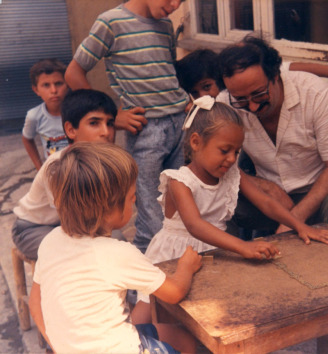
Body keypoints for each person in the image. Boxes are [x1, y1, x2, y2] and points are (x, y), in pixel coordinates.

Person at [131, 96, 328, 324]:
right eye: (224, 150)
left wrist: (300, 226)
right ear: (196, 142)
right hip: (176, 254)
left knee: (205, 311)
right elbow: (195, 225)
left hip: (215, 251)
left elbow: (265, 201)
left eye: (237, 152)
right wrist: (243, 246)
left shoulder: (231, 174)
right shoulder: (179, 181)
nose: (231, 159)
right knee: (151, 309)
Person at [29, 142, 202, 353]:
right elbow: (174, 293)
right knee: (187, 340)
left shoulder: (51, 240)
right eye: (131, 198)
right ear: (108, 209)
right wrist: (186, 265)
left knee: (177, 337)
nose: (135, 200)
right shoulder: (118, 254)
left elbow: (35, 305)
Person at [217, 35, 328, 239]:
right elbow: (217, 165)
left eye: (259, 95)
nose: (252, 107)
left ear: (275, 76)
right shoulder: (225, 104)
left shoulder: (314, 93)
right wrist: (264, 186)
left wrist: (295, 219)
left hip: (320, 191)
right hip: (269, 199)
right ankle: (231, 269)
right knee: (215, 200)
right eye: (241, 100)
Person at [64, 0, 188, 253]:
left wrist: (186, 100)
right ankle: (142, 285)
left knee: (181, 210)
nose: (176, 5)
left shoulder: (165, 25)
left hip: (181, 125)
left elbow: (166, 73)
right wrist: (111, 115)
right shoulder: (110, 22)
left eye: (183, 1)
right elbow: (73, 73)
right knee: (152, 217)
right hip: (147, 131)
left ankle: (175, 274)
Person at [12, 89, 116, 260]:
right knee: (82, 253)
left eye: (110, 123)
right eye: (94, 123)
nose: (106, 132)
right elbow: (73, 221)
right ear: (71, 130)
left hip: (67, 226)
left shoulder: (104, 161)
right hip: (32, 229)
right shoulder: (59, 165)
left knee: (117, 241)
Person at [175, 48, 328, 101]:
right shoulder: (201, 109)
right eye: (195, 92)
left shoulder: (243, 81)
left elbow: (291, 68)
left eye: (207, 86)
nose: (204, 96)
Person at [22, 58, 69, 171]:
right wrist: (40, 168)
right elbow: (27, 139)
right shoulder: (34, 116)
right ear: (36, 90)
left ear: (67, 85)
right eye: (46, 85)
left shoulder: (78, 111)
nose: (53, 90)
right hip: (53, 173)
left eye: (58, 83)